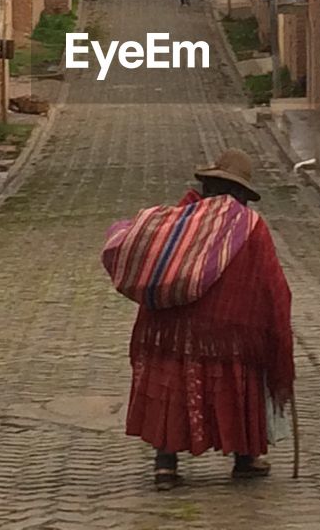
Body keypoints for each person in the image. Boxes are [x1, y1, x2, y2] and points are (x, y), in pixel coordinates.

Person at [102, 149, 294, 491]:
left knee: (172, 389)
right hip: (229, 333)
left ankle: (165, 466)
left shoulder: (178, 221)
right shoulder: (250, 227)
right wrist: (274, 330)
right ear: (240, 194)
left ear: (207, 185)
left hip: (171, 331)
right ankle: (245, 458)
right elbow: (270, 285)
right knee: (236, 385)